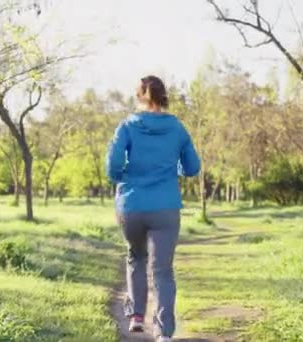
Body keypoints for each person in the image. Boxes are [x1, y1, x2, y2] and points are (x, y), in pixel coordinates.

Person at [106, 75, 201, 342]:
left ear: (139, 97)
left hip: (131, 205)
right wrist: (175, 168)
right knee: (162, 270)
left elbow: (112, 163)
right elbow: (192, 167)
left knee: (136, 256)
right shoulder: (177, 128)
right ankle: (163, 333)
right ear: (163, 97)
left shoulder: (127, 126)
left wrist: (122, 175)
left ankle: (137, 316)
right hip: (165, 207)